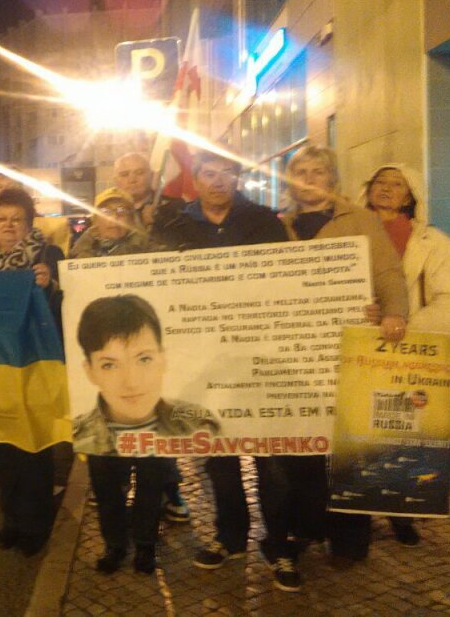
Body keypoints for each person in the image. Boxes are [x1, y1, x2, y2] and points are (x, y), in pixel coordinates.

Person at [151, 150, 292, 585]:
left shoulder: (264, 222)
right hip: (205, 358)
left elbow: (289, 280)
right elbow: (158, 285)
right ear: (195, 181)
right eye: (208, 174)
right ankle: (231, 538)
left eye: (226, 172)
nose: (217, 181)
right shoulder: (176, 227)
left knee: (271, 460)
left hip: (260, 353)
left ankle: (279, 546)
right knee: (219, 458)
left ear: (238, 177)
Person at [272, 145, 408, 586]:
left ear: (331, 178)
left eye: (318, 171)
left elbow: (387, 272)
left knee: (348, 449)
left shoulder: (360, 220)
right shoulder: (278, 226)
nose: (309, 179)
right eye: (300, 171)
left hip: (348, 348)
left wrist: (393, 312)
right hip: (296, 351)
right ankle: (307, 528)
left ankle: (350, 539)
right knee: (303, 450)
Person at [360, 163, 450, 546]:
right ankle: (354, 512)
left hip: (410, 355)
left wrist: (406, 326)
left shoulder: (435, 243)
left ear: (410, 196)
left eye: (397, 185)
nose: (387, 189)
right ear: (368, 189)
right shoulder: (349, 233)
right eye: (381, 182)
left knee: (403, 437)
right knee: (357, 435)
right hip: (359, 354)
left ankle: (401, 513)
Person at [73, 295, 218, 575]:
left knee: (151, 488)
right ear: (89, 370)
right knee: (107, 490)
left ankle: (145, 545)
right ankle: (115, 545)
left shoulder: (189, 421)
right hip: (105, 443)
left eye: (144, 359)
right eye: (109, 364)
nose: (131, 381)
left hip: (155, 436)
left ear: (163, 358)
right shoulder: (87, 430)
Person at [70, 187, 189, 523]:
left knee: (152, 437)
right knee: (110, 435)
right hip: (106, 361)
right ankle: (114, 507)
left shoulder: (151, 249)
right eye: (107, 211)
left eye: (122, 210)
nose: (114, 218)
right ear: (94, 218)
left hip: (142, 356)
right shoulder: (76, 257)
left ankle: (158, 504)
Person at [0, 187, 64, 556]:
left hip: (35, 364)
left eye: (17, 219)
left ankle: (36, 523)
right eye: (2, 219)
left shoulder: (50, 256)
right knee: (3, 446)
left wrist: (51, 286)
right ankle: (11, 519)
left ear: (29, 224)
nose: (8, 226)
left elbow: (69, 305)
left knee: (33, 447)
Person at [113, 152, 157, 229]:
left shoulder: (170, 209)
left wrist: (158, 223)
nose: (132, 180)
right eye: (124, 174)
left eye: (139, 173)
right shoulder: (105, 212)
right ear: (115, 180)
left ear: (151, 176)